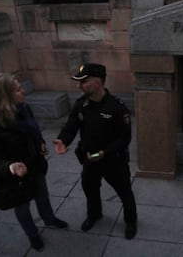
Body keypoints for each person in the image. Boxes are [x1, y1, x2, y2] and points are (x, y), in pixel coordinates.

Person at [0, 73, 68, 251]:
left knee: (43, 196)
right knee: (23, 208)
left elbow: (33, 130)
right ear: (5, 97)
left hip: (34, 166)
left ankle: (49, 219)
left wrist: (40, 143)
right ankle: (32, 235)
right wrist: (11, 166)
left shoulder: (23, 108)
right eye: (18, 90)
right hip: (13, 177)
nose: (23, 92)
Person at [53, 63, 137, 239]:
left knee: (125, 193)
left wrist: (104, 153)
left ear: (97, 82)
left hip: (114, 161)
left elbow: (124, 139)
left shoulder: (117, 108)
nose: (79, 86)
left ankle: (131, 221)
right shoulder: (80, 105)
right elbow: (71, 126)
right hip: (90, 160)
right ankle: (94, 215)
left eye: (83, 81)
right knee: (90, 189)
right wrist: (63, 140)